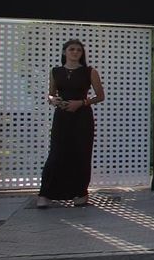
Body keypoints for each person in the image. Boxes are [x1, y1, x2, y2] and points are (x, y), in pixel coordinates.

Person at [36, 38, 105, 208]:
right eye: (72, 49)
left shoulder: (90, 71)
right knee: (57, 153)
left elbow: (100, 96)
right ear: (64, 52)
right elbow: (51, 94)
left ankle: (80, 193)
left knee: (81, 153)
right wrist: (54, 101)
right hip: (62, 115)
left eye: (78, 50)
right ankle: (46, 194)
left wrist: (81, 103)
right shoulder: (56, 71)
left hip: (82, 116)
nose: (75, 52)